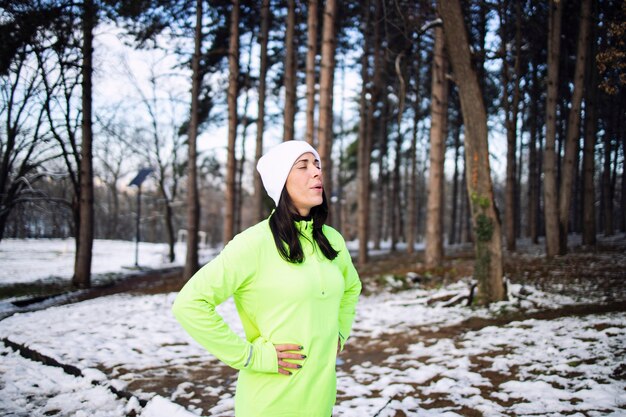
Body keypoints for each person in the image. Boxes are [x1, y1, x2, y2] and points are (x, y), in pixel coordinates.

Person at [172, 140, 362, 417]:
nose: (317, 173)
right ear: (281, 180)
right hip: (270, 403)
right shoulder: (253, 243)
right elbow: (189, 304)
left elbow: (351, 287)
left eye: (317, 165)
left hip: (321, 401)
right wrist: (251, 356)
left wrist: (340, 333)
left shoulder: (331, 240)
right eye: (303, 166)